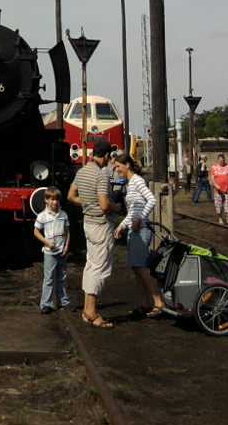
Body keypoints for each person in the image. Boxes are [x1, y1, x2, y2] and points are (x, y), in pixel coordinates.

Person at [67, 140, 116, 328]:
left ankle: (87, 309)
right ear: (106, 156)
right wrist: (116, 207)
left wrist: (87, 204)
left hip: (88, 223)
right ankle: (92, 311)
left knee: (91, 265)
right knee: (100, 268)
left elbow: (71, 196)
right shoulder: (100, 176)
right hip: (101, 225)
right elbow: (104, 205)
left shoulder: (81, 172)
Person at [113, 153, 164, 317]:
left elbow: (152, 200)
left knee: (140, 267)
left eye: (118, 166)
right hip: (135, 230)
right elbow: (133, 211)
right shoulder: (130, 184)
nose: (116, 169)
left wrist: (140, 218)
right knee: (136, 268)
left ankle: (158, 301)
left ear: (127, 165)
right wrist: (122, 225)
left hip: (141, 230)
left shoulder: (137, 181)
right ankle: (146, 302)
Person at [34, 187, 71, 315]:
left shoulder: (63, 215)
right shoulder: (42, 216)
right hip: (50, 252)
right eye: (52, 199)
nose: (55, 202)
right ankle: (46, 304)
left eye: (57, 200)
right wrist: (47, 242)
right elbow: (36, 231)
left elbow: (67, 231)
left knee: (62, 277)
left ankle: (63, 301)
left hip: (61, 251)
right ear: (46, 200)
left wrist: (66, 246)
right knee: (48, 278)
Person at [209, 153, 228, 226]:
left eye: (223, 160)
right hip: (218, 190)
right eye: (221, 160)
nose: (222, 162)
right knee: (219, 206)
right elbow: (212, 178)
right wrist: (215, 185)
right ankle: (220, 218)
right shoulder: (214, 167)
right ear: (218, 160)